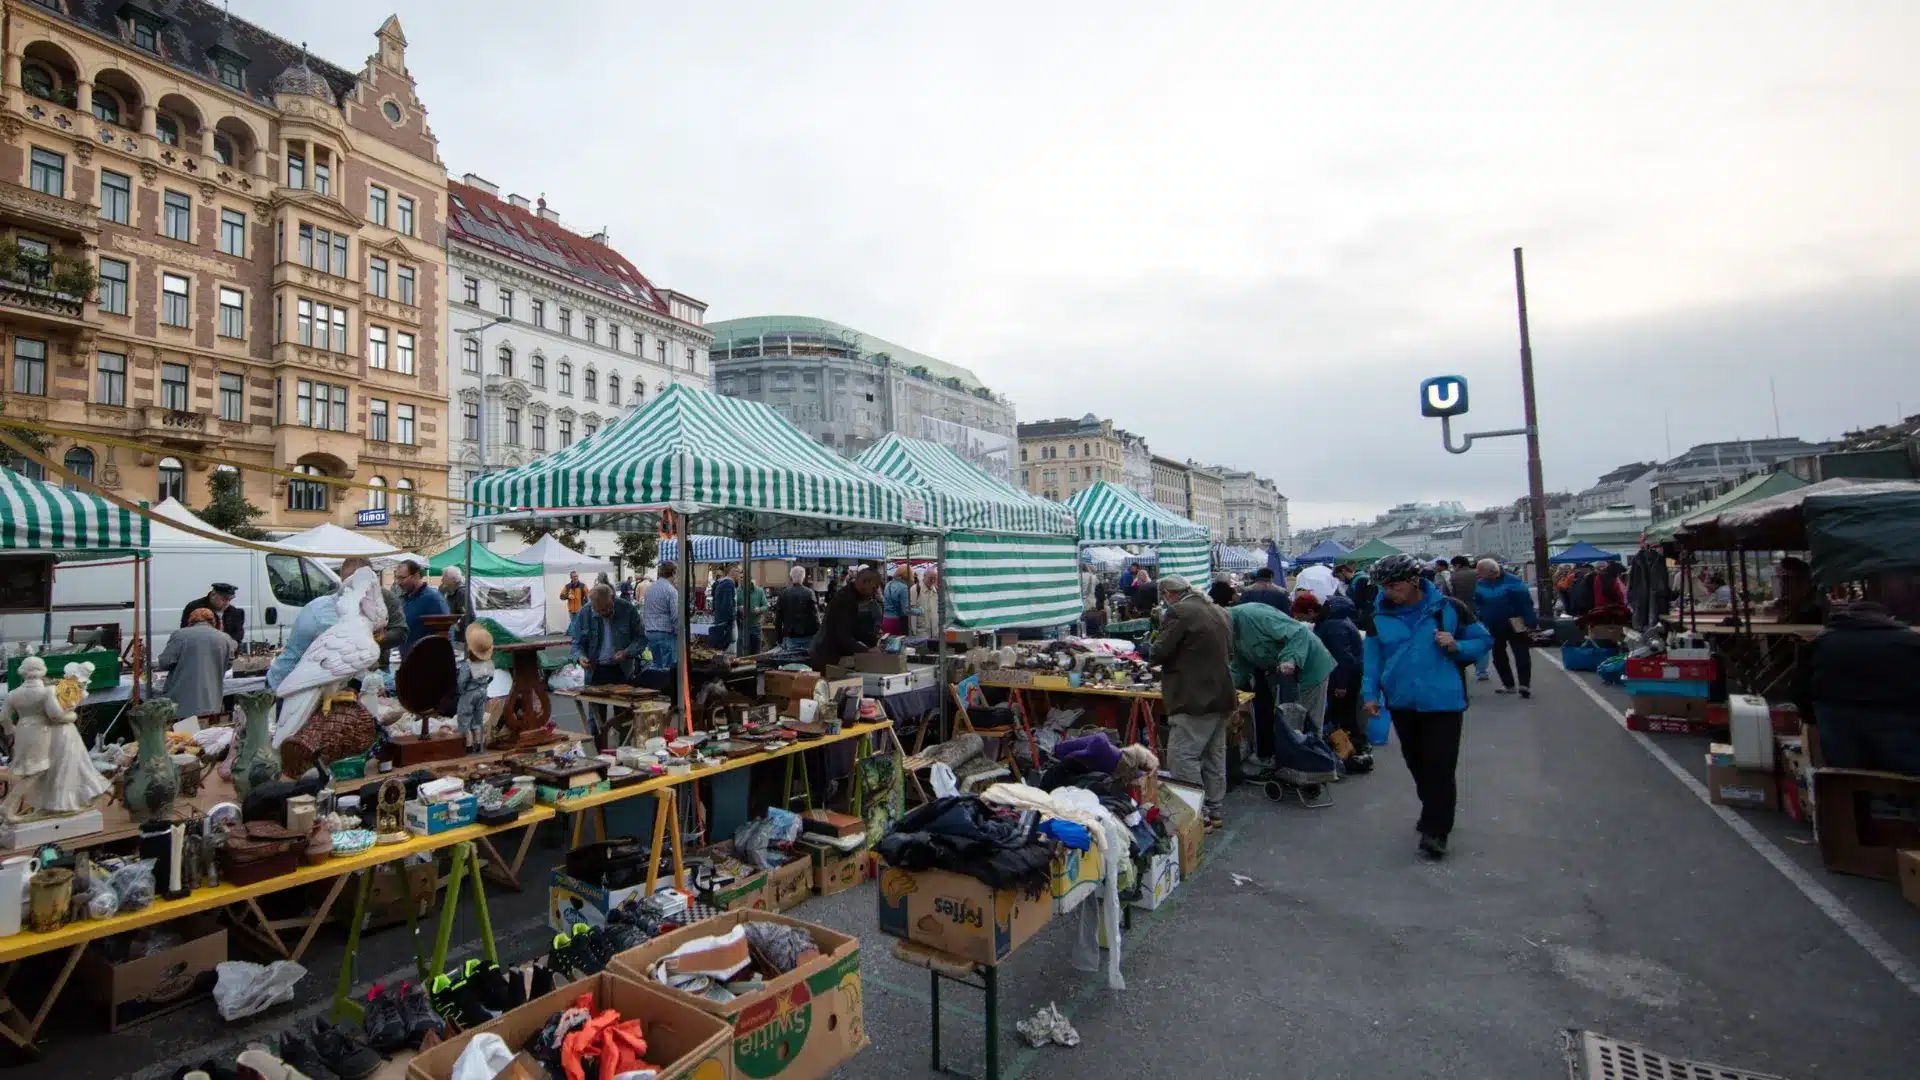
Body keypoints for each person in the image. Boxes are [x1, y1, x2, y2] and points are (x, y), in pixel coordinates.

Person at [1362, 554, 1491, 859]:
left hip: (1444, 701)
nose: (1387, 592)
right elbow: (1372, 660)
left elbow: (1484, 640)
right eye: (1383, 586)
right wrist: (1370, 694)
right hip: (1402, 702)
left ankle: (1436, 831)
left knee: (1440, 767)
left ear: (1414, 581)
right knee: (1417, 763)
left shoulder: (1450, 609)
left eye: (1393, 585)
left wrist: (1457, 645)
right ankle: (1433, 809)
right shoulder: (1378, 617)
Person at [1144, 574, 1235, 830]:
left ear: (1168, 594)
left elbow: (1158, 652)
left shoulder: (1178, 612)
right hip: (1222, 693)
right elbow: (1229, 650)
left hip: (1195, 697)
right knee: (1213, 756)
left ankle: (1198, 814)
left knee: (1182, 757)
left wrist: (1147, 652)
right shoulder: (1219, 611)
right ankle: (1214, 811)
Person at [1797, 601, 1920, 774]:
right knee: (1905, 785)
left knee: (1849, 783)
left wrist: (1813, 718)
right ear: (1887, 618)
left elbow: (1800, 690)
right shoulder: (1911, 641)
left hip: (1838, 725)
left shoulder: (1821, 643)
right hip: (1901, 727)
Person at [1229, 599, 1335, 743]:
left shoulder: (1253, 614)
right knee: (1287, 722)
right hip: (1282, 676)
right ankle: (1292, 758)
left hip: (1310, 667)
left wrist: (1289, 659)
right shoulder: (1231, 632)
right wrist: (1228, 687)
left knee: (1309, 722)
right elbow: (1240, 666)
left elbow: (1299, 632)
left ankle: (1312, 759)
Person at [154, 607, 239, 721]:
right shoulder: (225, 638)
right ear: (213, 621)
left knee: (182, 737)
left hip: (181, 703)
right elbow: (228, 665)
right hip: (212, 702)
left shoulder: (180, 635)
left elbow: (164, 662)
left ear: (191, 620)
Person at [1474, 558, 1539, 698]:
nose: (1478, 574)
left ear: (1491, 571)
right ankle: (1508, 684)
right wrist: (1481, 616)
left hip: (1517, 621)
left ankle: (1524, 685)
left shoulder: (1514, 581)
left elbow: (1526, 603)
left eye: (1480, 572)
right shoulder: (1480, 584)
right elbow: (1478, 603)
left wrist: (1530, 622)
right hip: (1493, 623)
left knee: (1521, 652)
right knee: (1498, 655)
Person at [1316, 594, 1366, 751]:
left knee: (1342, 716)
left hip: (1342, 677)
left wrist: (1340, 684)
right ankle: (1355, 747)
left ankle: (1350, 749)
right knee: (1347, 713)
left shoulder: (1335, 626)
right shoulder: (1344, 622)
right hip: (1350, 674)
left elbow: (1341, 657)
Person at [572, 583, 644, 687]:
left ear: (613, 598)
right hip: (595, 670)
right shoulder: (584, 612)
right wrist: (580, 657)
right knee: (596, 702)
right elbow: (576, 643)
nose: (606, 612)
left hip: (622, 669)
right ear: (592, 606)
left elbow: (641, 638)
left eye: (609, 607)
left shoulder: (628, 609)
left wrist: (627, 652)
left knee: (623, 702)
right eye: (600, 610)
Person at [811, 566, 883, 670]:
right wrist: (866, 651)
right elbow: (842, 636)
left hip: (830, 654)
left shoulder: (851, 596)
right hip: (828, 657)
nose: (875, 591)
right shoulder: (847, 600)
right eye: (874, 587)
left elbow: (850, 629)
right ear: (865, 582)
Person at [393, 558, 450, 662]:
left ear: (416, 576)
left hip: (426, 664)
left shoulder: (433, 599)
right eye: (396, 577)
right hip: (408, 662)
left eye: (402, 578)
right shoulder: (406, 598)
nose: (398, 582)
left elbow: (446, 634)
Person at [1448, 556, 1492, 683]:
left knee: (1460, 642)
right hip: (1478, 610)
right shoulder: (1477, 575)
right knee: (1481, 638)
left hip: (1460, 612)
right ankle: (1481, 671)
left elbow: (1448, 594)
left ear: (1457, 565)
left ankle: (1461, 669)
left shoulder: (1454, 577)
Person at [642, 562, 681, 671]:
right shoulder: (671, 590)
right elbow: (675, 615)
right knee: (668, 668)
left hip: (650, 631)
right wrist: (679, 631)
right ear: (673, 573)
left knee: (656, 666)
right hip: (665, 632)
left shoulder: (650, 588)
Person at [775, 566, 820, 651]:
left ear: (791, 577)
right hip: (808, 635)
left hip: (790, 635)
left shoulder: (783, 593)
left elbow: (778, 619)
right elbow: (816, 617)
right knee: (808, 661)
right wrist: (818, 634)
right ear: (803, 577)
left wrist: (779, 638)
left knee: (792, 662)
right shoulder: (809, 593)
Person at [1772, 556, 1826, 625]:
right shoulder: (1797, 607)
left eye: (1787, 579)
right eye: (1782, 579)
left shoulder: (1813, 613)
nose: (1783, 585)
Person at [1338, 563, 1378, 634]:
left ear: (1343, 571)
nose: (1340, 579)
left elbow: (1358, 602)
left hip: (1367, 615)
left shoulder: (1360, 579)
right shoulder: (1359, 577)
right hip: (1368, 614)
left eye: (1339, 576)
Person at [709, 567, 739, 652]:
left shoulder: (721, 583)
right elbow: (727, 604)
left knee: (723, 650)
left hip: (720, 620)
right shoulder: (728, 584)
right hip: (726, 622)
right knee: (730, 649)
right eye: (738, 572)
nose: (739, 575)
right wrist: (732, 619)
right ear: (732, 572)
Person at [882, 565, 912, 636]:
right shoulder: (903, 587)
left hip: (886, 620)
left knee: (888, 644)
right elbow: (905, 611)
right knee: (899, 645)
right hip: (897, 622)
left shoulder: (888, 584)